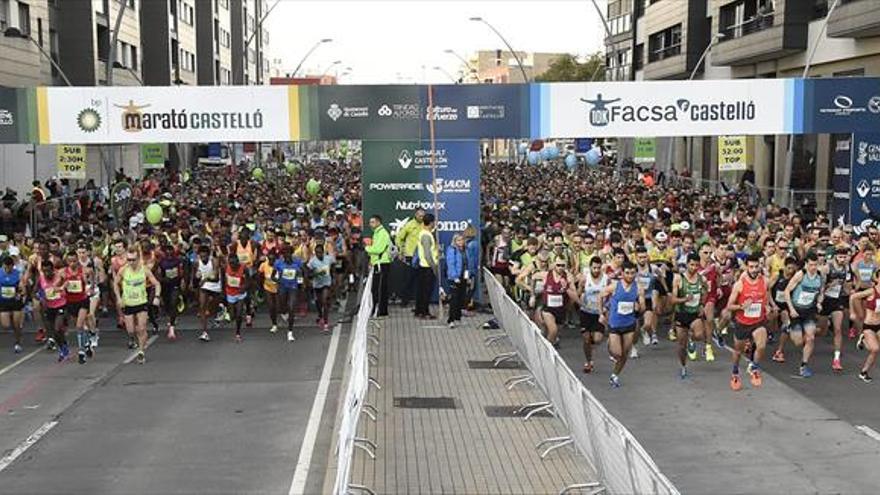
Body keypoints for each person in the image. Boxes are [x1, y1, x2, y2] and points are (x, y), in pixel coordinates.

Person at [725, 254, 769, 391]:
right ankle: (735, 372)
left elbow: (766, 295)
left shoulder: (765, 281)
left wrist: (767, 306)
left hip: (758, 321)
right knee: (738, 352)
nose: (754, 270)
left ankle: (754, 367)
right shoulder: (740, 284)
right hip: (742, 322)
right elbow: (729, 306)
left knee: (761, 346)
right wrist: (741, 307)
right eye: (751, 267)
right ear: (746, 267)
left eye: (756, 266)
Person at [600, 260, 645, 388]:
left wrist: (639, 306)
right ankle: (609, 344)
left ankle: (615, 375)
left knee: (624, 354)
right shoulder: (615, 286)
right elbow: (600, 295)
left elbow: (643, 307)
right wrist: (601, 313)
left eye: (632, 273)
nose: (630, 276)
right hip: (614, 324)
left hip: (629, 324)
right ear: (622, 273)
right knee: (617, 353)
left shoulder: (638, 288)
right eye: (627, 273)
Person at [114, 247, 161, 364]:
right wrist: (119, 298)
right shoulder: (123, 270)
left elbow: (157, 283)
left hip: (141, 302)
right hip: (128, 303)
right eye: (128, 260)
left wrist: (157, 297)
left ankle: (141, 351)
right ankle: (135, 339)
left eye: (133, 260)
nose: (131, 262)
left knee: (142, 327)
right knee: (130, 330)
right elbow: (115, 283)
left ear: (138, 259)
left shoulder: (144, 270)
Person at [783, 252, 824, 378]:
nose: (813, 267)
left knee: (811, 338)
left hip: (809, 310)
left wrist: (818, 302)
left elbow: (821, 292)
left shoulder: (820, 276)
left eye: (815, 265)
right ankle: (788, 327)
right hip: (796, 310)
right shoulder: (800, 275)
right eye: (811, 265)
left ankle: (804, 365)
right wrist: (791, 309)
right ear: (806, 264)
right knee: (798, 342)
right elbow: (787, 291)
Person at [670, 253, 708, 379]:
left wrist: (702, 305)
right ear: (687, 264)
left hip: (694, 314)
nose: (694, 268)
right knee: (681, 346)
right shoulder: (678, 279)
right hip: (681, 314)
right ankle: (683, 366)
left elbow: (705, 293)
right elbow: (673, 300)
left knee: (699, 334)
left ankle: (692, 339)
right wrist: (685, 299)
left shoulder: (701, 279)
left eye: (697, 265)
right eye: (692, 265)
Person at [577, 255, 607, 373]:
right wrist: (581, 295)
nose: (596, 270)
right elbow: (579, 293)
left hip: (599, 313)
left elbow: (609, 294)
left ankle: (591, 347)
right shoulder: (585, 279)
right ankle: (589, 361)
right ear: (590, 267)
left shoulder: (606, 279)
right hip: (586, 312)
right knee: (586, 339)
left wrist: (606, 308)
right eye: (594, 268)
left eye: (598, 268)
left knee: (598, 339)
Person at [851, 268, 880, 383]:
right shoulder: (872, 291)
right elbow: (853, 297)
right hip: (869, 325)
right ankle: (863, 372)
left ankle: (863, 340)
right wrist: (853, 312)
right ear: (877, 278)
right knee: (875, 349)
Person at [273, 246, 305, 342]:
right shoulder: (278, 263)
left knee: (291, 307)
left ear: (291, 254)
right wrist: (278, 280)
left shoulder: (297, 263)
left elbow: (301, 274)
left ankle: (290, 332)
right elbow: (273, 276)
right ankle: (284, 312)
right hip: (282, 288)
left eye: (288, 254)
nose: (287, 256)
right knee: (283, 306)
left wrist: (301, 284)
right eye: (285, 254)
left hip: (293, 288)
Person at [395, 208, 425, 306]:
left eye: (423, 215)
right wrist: (401, 250)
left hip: (422, 256)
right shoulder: (409, 224)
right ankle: (404, 301)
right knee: (408, 279)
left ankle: (419, 302)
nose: (422, 217)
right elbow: (399, 237)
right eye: (420, 215)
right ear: (415, 215)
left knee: (421, 280)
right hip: (410, 256)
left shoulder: (425, 225)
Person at [365, 215, 391, 318]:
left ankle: (380, 311)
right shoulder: (377, 233)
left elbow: (379, 249)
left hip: (382, 264)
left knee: (379, 289)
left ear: (378, 222)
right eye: (370, 222)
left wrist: (367, 248)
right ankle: (379, 311)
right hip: (378, 263)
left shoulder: (382, 233)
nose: (370, 224)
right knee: (376, 288)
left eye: (372, 222)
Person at [414, 214, 439, 320]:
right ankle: (424, 312)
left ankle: (419, 310)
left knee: (422, 290)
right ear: (431, 222)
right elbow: (427, 254)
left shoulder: (425, 233)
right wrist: (434, 266)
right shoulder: (426, 235)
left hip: (423, 266)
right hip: (427, 267)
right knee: (426, 291)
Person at [0, 255, 24, 353]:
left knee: (16, 324)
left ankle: (18, 342)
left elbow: (22, 287)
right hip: (3, 302)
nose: (7, 269)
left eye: (9, 267)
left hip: (15, 302)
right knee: (5, 325)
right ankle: (9, 317)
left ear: (12, 266)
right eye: (5, 267)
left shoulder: (18, 274)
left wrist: (21, 292)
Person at [308, 243, 334, 332]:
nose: (319, 255)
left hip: (326, 284)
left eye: (320, 252)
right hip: (317, 285)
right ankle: (320, 315)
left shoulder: (328, 259)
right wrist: (315, 274)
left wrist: (333, 278)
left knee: (325, 301)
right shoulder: (312, 261)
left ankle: (326, 324)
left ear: (323, 252)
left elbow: (333, 267)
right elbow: (308, 273)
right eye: (317, 253)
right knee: (318, 303)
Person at [444, 234, 468, 328]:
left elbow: (467, 263)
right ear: (454, 241)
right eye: (458, 240)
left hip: (464, 277)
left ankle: (458, 318)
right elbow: (451, 264)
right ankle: (451, 320)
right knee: (454, 299)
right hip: (455, 278)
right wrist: (454, 277)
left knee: (461, 298)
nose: (460, 242)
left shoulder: (465, 250)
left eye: (462, 240)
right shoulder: (452, 250)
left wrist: (468, 275)